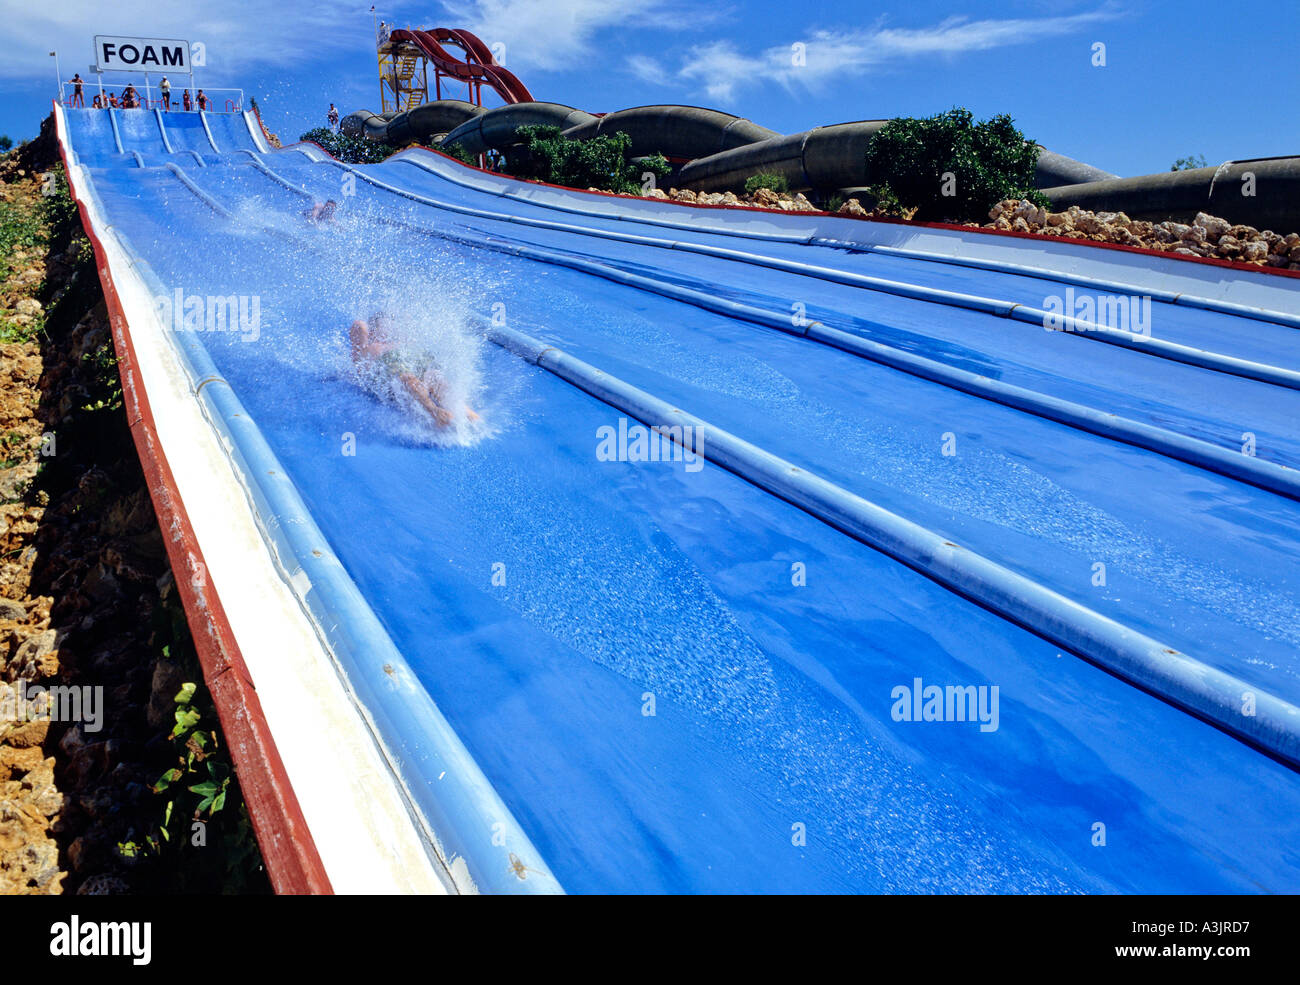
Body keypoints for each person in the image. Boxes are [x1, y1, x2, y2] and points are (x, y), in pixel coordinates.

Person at [349, 312, 479, 429]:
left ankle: (464, 410)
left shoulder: (400, 341)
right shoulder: (369, 348)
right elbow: (359, 327)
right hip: (393, 362)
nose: (389, 327)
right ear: (372, 331)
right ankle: (436, 411)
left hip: (415, 357)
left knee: (435, 379)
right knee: (409, 378)